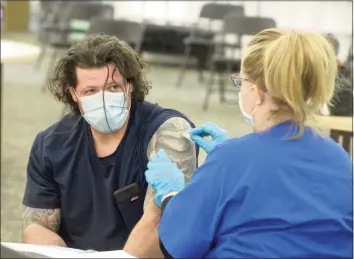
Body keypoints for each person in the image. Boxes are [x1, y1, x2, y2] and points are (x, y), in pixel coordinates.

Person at [123, 29, 353, 258]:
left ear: (256, 91)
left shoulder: (231, 159)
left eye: (240, 82)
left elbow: (179, 247)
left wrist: (170, 193)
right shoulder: (340, 159)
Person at [21, 34, 198, 254]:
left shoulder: (168, 132)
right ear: (73, 93)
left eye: (113, 87)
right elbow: (36, 227)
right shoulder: (50, 144)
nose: (103, 100)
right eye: (91, 91)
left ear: (129, 85)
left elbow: (161, 222)